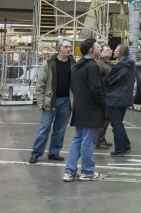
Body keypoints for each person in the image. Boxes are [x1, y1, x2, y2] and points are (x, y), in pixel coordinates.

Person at [63, 38, 106, 182]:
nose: (100, 48)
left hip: (79, 108)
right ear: (91, 50)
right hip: (91, 110)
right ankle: (87, 171)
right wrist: (103, 103)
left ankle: (70, 171)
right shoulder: (92, 66)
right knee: (88, 142)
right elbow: (95, 89)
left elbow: (74, 88)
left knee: (77, 139)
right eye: (98, 47)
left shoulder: (76, 66)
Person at [29, 39, 75, 164]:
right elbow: (41, 83)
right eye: (66, 47)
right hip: (50, 101)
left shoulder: (73, 63)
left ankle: (54, 152)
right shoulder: (48, 63)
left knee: (60, 129)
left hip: (66, 102)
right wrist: (40, 100)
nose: (69, 49)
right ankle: (36, 153)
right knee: (44, 128)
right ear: (59, 48)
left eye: (70, 47)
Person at [105, 44, 136, 156]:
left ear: (121, 53)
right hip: (123, 98)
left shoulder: (122, 67)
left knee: (116, 124)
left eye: (116, 50)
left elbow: (111, 81)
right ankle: (126, 146)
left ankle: (120, 149)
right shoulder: (129, 65)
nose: (114, 51)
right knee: (119, 123)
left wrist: (106, 84)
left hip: (116, 98)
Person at [95, 44, 113, 150]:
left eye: (110, 50)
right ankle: (99, 140)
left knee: (106, 118)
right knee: (104, 118)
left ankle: (102, 139)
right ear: (101, 53)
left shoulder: (108, 63)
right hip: (104, 93)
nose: (109, 51)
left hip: (109, 94)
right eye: (106, 50)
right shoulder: (99, 63)